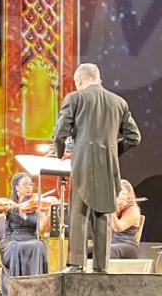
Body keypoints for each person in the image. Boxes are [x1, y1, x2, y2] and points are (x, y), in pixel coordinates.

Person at [50, 63, 141, 273]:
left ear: (80, 81)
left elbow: (60, 133)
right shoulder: (119, 102)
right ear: (98, 79)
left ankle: (76, 265)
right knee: (103, 215)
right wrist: (111, 153)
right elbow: (134, 137)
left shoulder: (75, 98)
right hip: (108, 167)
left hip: (83, 163)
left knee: (78, 214)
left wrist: (60, 154)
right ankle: (101, 267)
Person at [0, 173, 52, 293]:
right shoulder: (10, 205)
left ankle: (36, 290)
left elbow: (42, 227)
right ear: (16, 187)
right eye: (25, 184)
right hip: (12, 241)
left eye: (30, 184)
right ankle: (16, 290)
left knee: (40, 245)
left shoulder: (35, 205)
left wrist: (48, 212)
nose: (29, 187)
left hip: (31, 238)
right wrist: (7, 204)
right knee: (16, 247)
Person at [107, 180, 142, 259]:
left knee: (109, 251)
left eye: (121, 193)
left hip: (128, 245)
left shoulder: (133, 210)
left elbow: (118, 228)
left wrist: (111, 211)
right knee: (86, 250)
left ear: (127, 195)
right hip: (111, 244)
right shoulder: (116, 210)